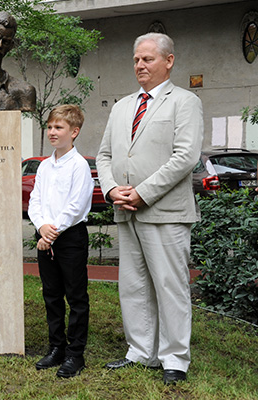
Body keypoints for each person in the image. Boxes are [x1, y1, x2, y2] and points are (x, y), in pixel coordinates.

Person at [96, 33, 203, 385]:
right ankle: (141, 351)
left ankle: (175, 358)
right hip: (126, 210)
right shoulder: (122, 105)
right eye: (136, 60)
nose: (140, 65)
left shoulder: (184, 102)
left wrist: (143, 192)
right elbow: (105, 155)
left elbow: (185, 157)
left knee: (170, 286)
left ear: (168, 61)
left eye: (148, 59)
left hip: (165, 211)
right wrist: (112, 189)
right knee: (133, 285)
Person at [28, 104, 94, 378]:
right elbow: (35, 200)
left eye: (59, 127)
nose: (52, 132)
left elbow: (76, 206)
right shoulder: (44, 166)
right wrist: (41, 227)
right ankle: (57, 347)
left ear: (74, 131)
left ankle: (75, 354)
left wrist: (51, 233)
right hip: (46, 236)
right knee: (51, 295)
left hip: (69, 238)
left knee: (76, 297)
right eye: (50, 127)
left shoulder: (79, 166)